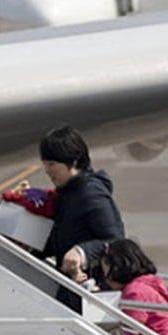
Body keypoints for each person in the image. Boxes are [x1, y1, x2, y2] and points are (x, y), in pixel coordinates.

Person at [35, 126, 125, 311]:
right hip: (71, 289)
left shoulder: (90, 194)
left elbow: (115, 240)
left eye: (52, 164)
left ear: (73, 161)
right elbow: (64, 237)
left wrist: (82, 252)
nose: (46, 170)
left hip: (91, 291)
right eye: (45, 164)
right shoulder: (68, 193)